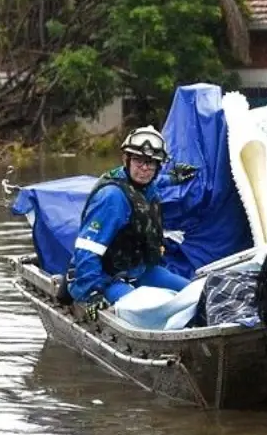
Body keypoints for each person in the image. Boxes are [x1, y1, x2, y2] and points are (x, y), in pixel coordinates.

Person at [67, 126, 192, 307]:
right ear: (127, 160)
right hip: (105, 277)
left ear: (158, 167)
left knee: (192, 293)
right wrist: (91, 293)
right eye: (138, 161)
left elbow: (154, 182)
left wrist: (173, 178)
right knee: (145, 309)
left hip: (138, 270)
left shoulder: (147, 187)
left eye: (151, 163)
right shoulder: (112, 197)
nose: (144, 168)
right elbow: (87, 249)